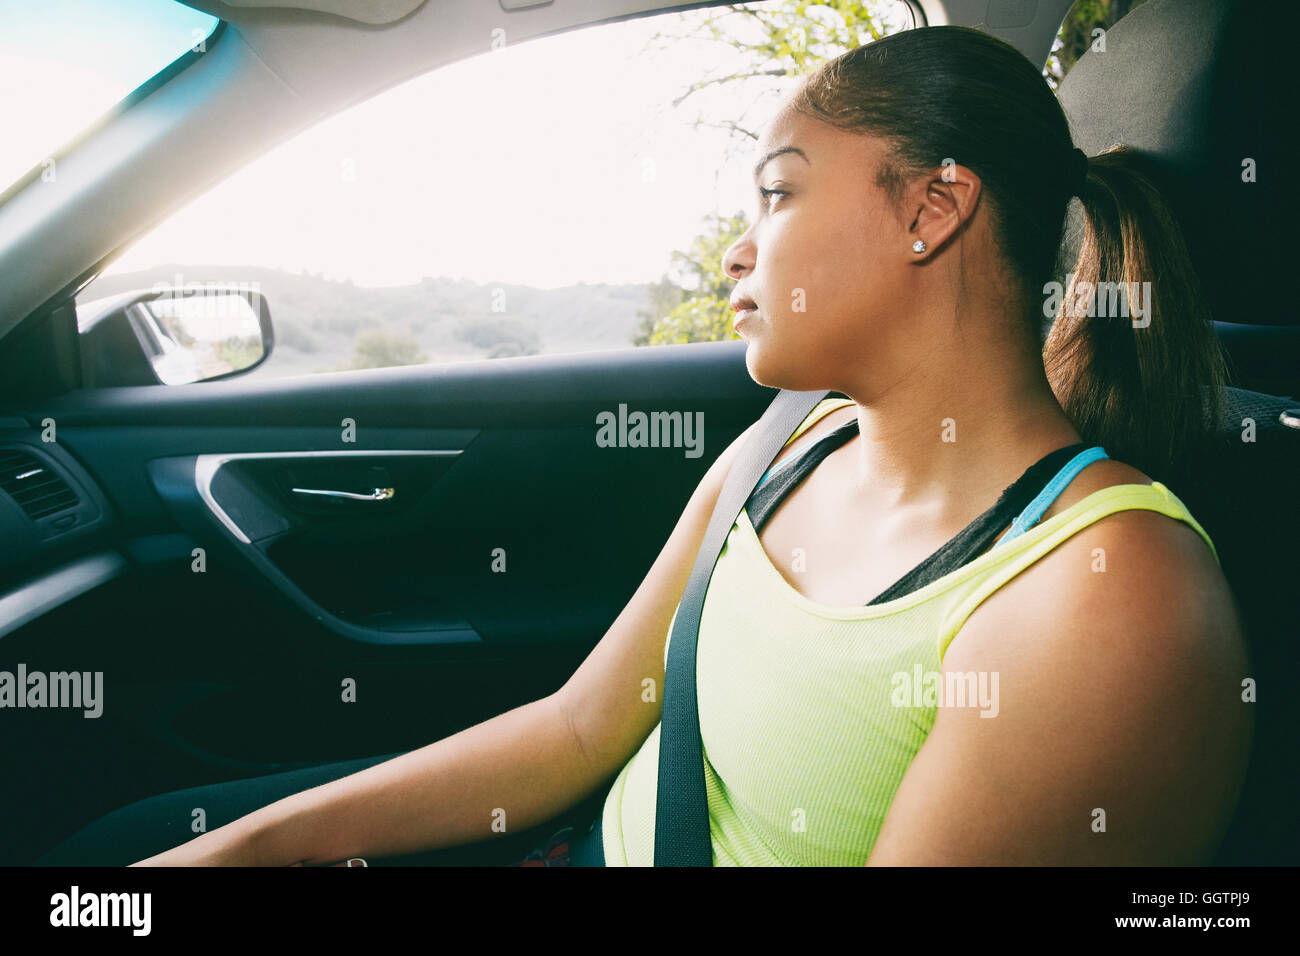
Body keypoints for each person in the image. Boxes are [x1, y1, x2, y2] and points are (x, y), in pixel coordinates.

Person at [40, 25, 1250, 867]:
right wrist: (269, 838)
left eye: (776, 194)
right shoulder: (792, 445)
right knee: (120, 854)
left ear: (931, 210)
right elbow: (579, 732)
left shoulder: (1102, 598)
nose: (736, 251)